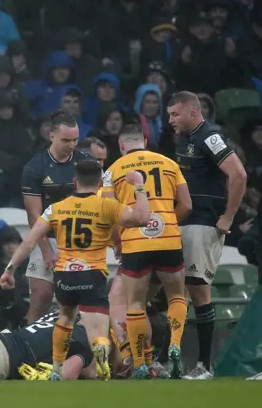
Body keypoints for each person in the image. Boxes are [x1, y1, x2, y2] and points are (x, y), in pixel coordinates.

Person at [0, 159, 151, 380]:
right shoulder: (106, 206)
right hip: (92, 273)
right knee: (98, 331)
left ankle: (57, 369)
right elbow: (142, 218)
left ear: (74, 181)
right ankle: (100, 350)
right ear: (100, 183)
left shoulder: (57, 208)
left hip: (64, 275)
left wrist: (9, 269)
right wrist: (138, 184)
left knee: (65, 318)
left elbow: (30, 241)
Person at [101, 124, 193, 379]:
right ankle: (174, 343)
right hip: (168, 240)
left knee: (135, 304)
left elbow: (108, 214)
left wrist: (118, 243)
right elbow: (186, 204)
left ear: (120, 145)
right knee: (176, 297)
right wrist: (168, 221)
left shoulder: (112, 171)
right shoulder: (169, 163)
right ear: (145, 140)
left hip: (135, 244)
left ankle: (141, 362)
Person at [169, 91, 247, 380]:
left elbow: (238, 174)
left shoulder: (209, 136)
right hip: (185, 221)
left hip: (202, 223)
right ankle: (173, 361)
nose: (170, 120)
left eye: (175, 114)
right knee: (176, 291)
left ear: (193, 112)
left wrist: (228, 216)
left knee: (199, 290)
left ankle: (205, 366)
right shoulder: (187, 139)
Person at [20, 110, 93, 323]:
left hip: (79, 238)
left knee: (78, 303)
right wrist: (45, 251)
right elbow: (34, 214)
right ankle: (30, 352)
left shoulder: (86, 161)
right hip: (47, 237)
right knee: (41, 297)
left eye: (75, 140)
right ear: (51, 136)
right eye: (66, 140)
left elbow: (97, 202)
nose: (72, 145)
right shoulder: (35, 167)